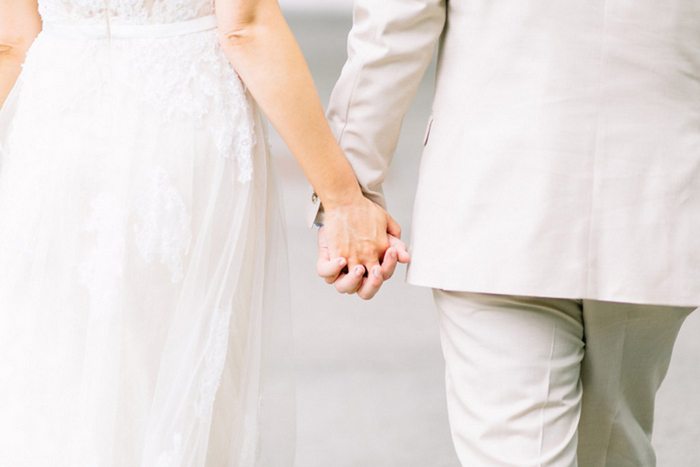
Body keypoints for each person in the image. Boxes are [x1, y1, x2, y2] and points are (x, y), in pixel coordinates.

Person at [0, 0, 405, 464]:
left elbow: (12, 40)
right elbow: (245, 27)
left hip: (57, 130)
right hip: (176, 125)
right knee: (173, 371)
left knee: (58, 369)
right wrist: (344, 201)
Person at [314, 0, 700, 465]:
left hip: (499, 198)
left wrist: (348, 197)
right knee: (618, 448)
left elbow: (391, 30)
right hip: (656, 199)